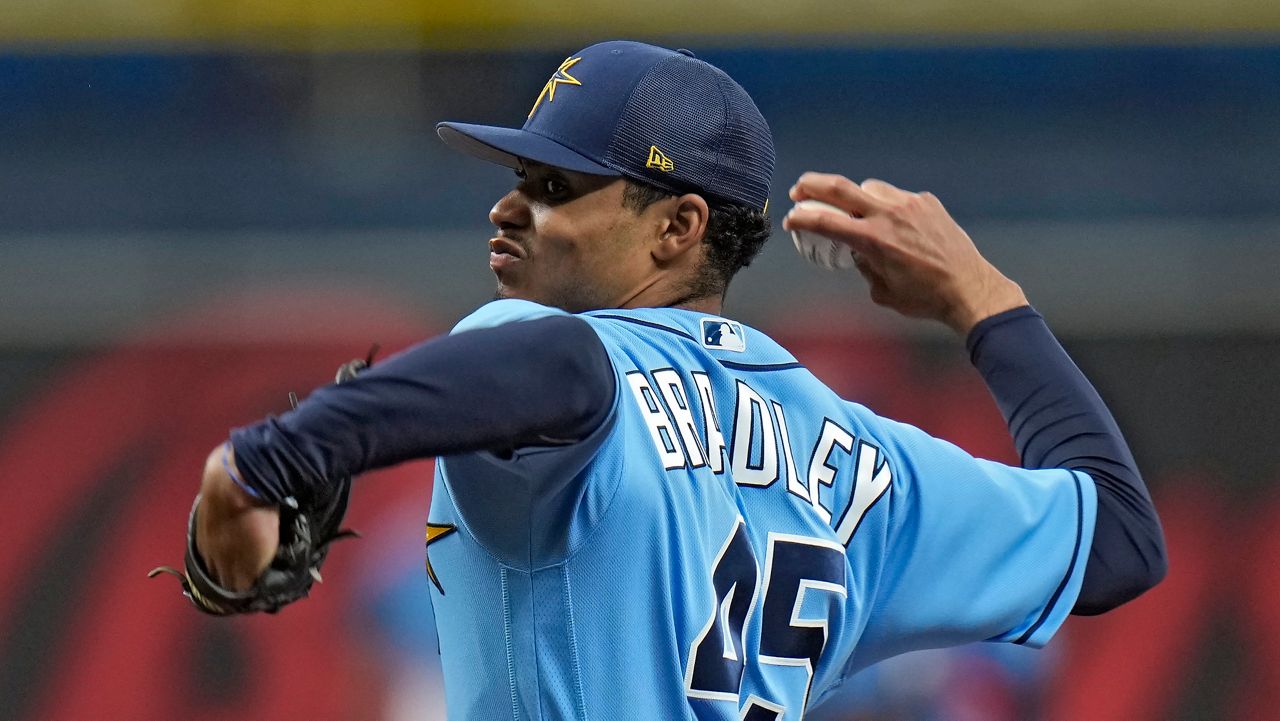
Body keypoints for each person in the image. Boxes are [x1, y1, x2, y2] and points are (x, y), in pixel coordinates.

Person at [191, 40, 1166, 719]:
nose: (509, 205)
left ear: (677, 227)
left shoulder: (559, 360)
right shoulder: (865, 458)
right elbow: (1118, 539)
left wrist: (265, 460)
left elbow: (548, 368)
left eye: (554, 188)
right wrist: (984, 300)